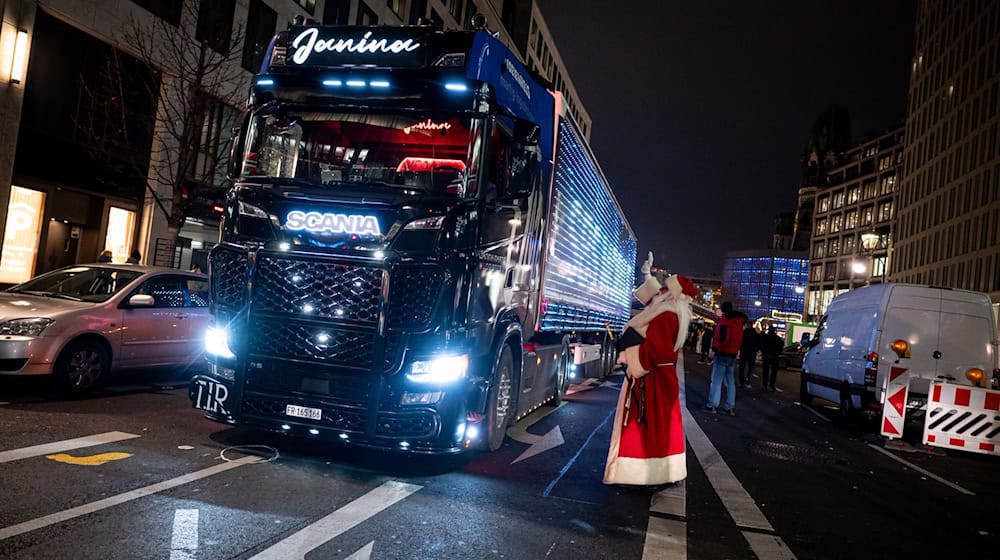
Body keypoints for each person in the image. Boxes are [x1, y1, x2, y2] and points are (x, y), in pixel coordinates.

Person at [604, 252, 699, 486]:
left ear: (672, 294)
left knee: (645, 426)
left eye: (666, 287)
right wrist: (647, 275)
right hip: (661, 378)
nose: (662, 290)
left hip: (651, 379)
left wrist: (629, 357)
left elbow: (654, 351)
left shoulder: (666, 315)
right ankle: (661, 473)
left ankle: (640, 476)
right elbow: (655, 299)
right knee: (662, 427)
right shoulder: (673, 311)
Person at [705, 301, 748, 415]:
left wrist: (713, 349)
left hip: (722, 353)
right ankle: (730, 406)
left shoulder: (725, 321)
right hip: (732, 354)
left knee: (716, 381)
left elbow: (723, 339)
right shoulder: (739, 323)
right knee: (730, 382)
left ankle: (712, 404)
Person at [760, 325, 784, 391]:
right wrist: (777, 353)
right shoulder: (778, 339)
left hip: (766, 356)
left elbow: (761, 346)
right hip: (774, 356)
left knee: (765, 371)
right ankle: (772, 384)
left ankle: (765, 384)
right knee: (774, 372)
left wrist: (764, 353)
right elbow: (781, 347)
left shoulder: (765, 337)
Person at [738, 323, 759, 388]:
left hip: (744, 351)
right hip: (752, 352)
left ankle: (742, 382)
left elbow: (740, 341)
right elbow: (758, 343)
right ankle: (748, 381)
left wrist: (741, 348)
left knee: (742, 367)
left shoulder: (743, 333)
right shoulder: (755, 334)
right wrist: (755, 349)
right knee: (750, 368)